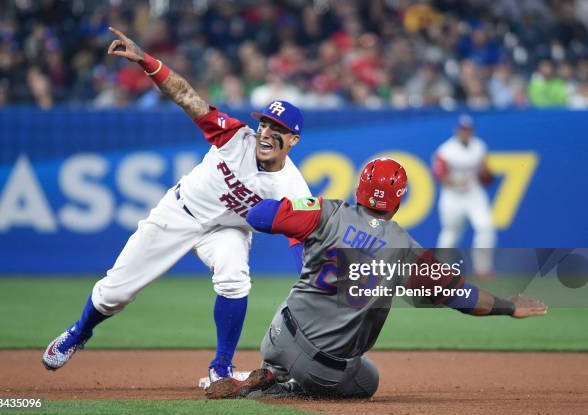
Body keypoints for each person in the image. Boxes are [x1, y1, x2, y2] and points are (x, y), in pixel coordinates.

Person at [42, 27, 311, 383]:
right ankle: (79, 332)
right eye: (263, 122)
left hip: (227, 229)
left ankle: (221, 370)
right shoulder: (235, 137)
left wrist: (311, 281)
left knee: (234, 278)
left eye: (276, 127)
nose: (264, 132)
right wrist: (147, 62)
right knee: (114, 293)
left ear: (292, 140)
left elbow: (301, 237)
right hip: (180, 212)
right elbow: (186, 97)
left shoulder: (292, 187)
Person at [205, 157, 547, 399]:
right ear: (398, 202)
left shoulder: (327, 212)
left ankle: (273, 372)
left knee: (296, 306)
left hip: (278, 337)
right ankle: (290, 388)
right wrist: (508, 306)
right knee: (369, 379)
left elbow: (259, 216)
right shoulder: (406, 250)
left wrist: (301, 214)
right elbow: (463, 299)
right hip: (325, 372)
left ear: (359, 189)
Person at [432, 115, 496, 277]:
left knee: (486, 227)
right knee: (451, 233)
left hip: (474, 194)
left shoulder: (480, 146)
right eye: (462, 130)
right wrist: (456, 183)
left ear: (472, 131)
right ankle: (441, 270)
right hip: (453, 195)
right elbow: (440, 174)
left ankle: (483, 269)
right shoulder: (445, 150)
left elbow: (486, 173)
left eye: (468, 130)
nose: (465, 133)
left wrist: (485, 174)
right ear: (457, 130)